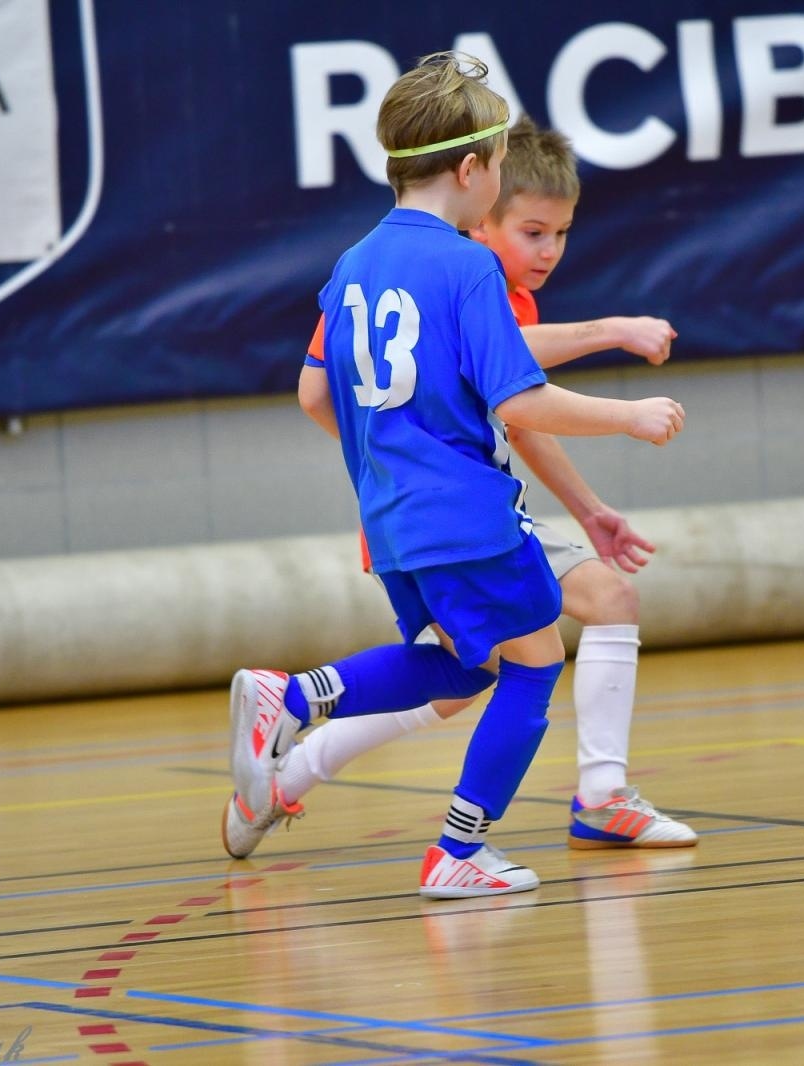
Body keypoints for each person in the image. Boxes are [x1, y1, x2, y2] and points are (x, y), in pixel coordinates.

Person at [222, 52, 685, 899]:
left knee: (462, 667)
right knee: (537, 664)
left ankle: (298, 698)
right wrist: (628, 414)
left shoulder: (353, 264)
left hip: (392, 519)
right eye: (501, 168)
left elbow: (317, 392)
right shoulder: (468, 267)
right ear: (472, 170)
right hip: (467, 512)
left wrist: (389, 453)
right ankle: (456, 850)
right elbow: (526, 399)